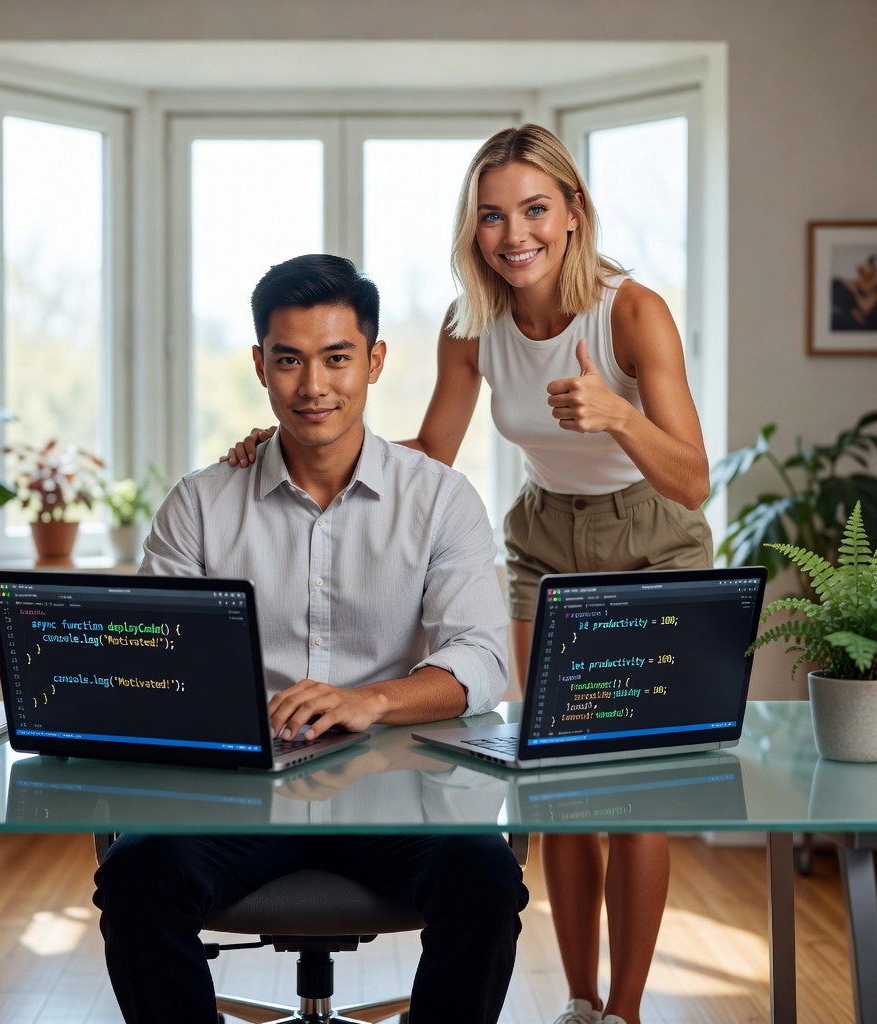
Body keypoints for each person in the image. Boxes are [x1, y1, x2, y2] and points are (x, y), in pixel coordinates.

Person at [223, 126, 713, 1024]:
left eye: (534, 209)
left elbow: (692, 478)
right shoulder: (471, 323)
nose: (513, 232)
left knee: (633, 784)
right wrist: (298, 437)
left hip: (654, 537)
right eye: (493, 215)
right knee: (555, 770)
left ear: (573, 214)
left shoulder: (631, 311)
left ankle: (628, 1011)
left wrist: (615, 415)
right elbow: (431, 455)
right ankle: (578, 997)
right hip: (545, 539)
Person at [93, 253, 528, 1024]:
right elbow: (153, 663)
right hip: (236, 801)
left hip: (399, 801)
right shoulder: (200, 504)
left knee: (486, 880)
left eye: (336, 359)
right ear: (261, 366)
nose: (313, 386)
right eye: (289, 361)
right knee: (136, 875)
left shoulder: (439, 501)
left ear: (375, 361)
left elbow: (482, 659)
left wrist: (370, 701)